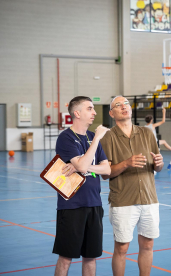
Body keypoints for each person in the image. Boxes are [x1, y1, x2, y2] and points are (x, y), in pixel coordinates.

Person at [101, 96, 164, 276]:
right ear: (111, 113)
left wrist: (159, 163)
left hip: (149, 199)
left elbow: (157, 167)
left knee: (148, 245)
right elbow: (105, 174)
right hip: (123, 201)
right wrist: (126, 163)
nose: (124, 107)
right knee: (121, 248)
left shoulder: (147, 133)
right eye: (118, 105)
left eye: (126, 104)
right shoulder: (108, 137)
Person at [53, 96, 111, 276]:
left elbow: (107, 170)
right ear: (77, 113)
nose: (94, 112)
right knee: (65, 258)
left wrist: (83, 166)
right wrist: (96, 142)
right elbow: (84, 165)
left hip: (94, 204)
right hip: (71, 207)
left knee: (91, 257)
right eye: (89, 108)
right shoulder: (66, 138)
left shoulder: (92, 136)